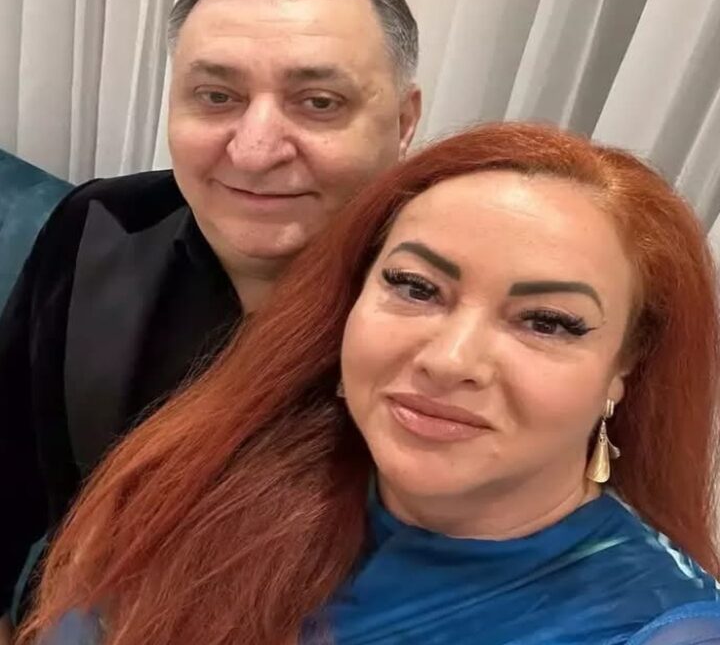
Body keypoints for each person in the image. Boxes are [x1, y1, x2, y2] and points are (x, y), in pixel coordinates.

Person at [19, 122, 720, 645]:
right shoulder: (208, 474)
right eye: (415, 286)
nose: (449, 359)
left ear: (624, 367)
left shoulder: (660, 630)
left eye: (547, 322)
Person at [0, 0, 421, 638]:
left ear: (404, 123)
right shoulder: (101, 225)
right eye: (217, 96)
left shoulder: (441, 311)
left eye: (318, 103)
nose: (254, 151)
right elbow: (9, 465)